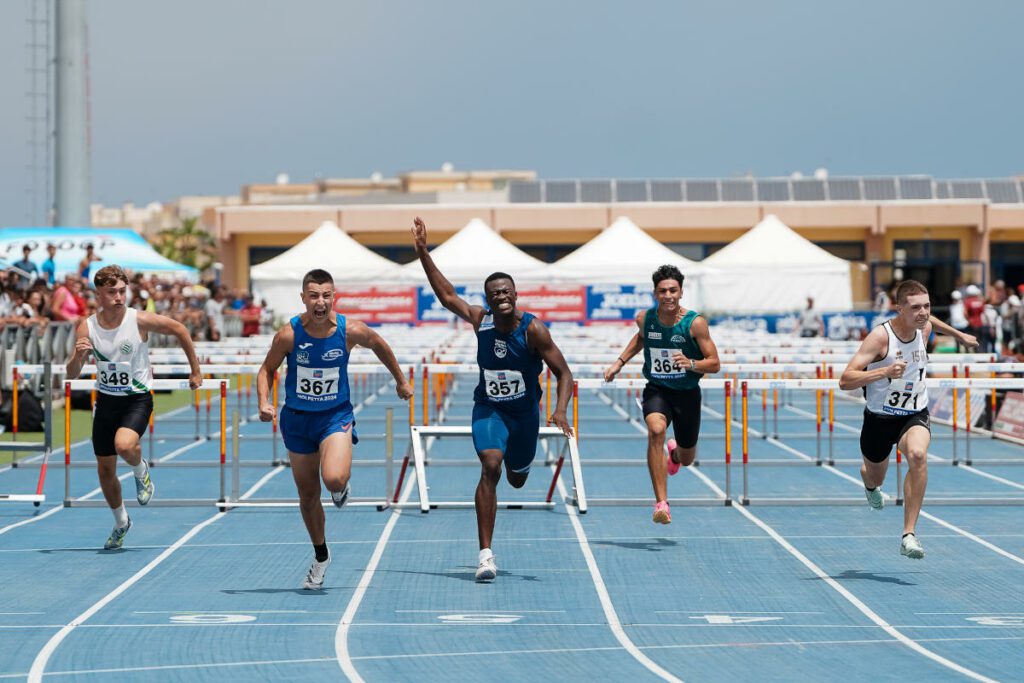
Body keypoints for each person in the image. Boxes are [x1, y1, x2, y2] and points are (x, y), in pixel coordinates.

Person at [411, 217, 574, 583]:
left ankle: (523, 464)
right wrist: (423, 252)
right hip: (489, 409)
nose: (501, 297)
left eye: (506, 292)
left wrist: (560, 409)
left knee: (516, 477)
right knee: (490, 465)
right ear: (488, 298)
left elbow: (564, 373)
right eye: (494, 293)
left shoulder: (533, 329)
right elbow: (447, 295)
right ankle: (485, 555)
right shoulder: (480, 320)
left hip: (524, 415)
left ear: (515, 295)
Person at [256, 269, 413, 590]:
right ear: (303, 298)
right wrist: (264, 401)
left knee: (334, 478)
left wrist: (401, 379)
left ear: (334, 297)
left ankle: (341, 488)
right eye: (314, 295)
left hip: (334, 416)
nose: (320, 301)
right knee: (308, 494)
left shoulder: (349, 331)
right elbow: (266, 369)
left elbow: (379, 344)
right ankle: (321, 555)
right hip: (297, 420)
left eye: (326, 295)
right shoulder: (288, 335)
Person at [838, 280, 977, 560]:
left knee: (917, 455)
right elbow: (845, 380)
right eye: (915, 307)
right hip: (878, 419)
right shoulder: (880, 338)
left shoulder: (923, 325)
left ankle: (909, 534)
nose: (923, 312)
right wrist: (884, 372)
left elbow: (931, 322)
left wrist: (959, 335)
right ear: (900, 308)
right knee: (876, 474)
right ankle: (868, 481)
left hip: (914, 413)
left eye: (926, 305)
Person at [66, 265, 202, 550]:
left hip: (136, 398)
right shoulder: (87, 326)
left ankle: (141, 471)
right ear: (98, 295)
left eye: (122, 291)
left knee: (124, 445)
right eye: (111, 292)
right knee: (105, 470)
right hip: (105, 401)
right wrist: (79, 357)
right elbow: (72, 374)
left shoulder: (138, 320)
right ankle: (121, 522)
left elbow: (179, 329)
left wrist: (195, 370)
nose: (118, 296)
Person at [604, 265, 721, 525]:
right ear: (655, 293)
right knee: (655, 429)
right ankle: (662, 503)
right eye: (662, 291)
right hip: (657, 389)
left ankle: (675, 455)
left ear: (680, 292)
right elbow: (640, 338)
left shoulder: (695, 324)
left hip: (688, 393)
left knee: (688, 458)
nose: (668, 295)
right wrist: (619, 363)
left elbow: (714, 363)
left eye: (673, 290)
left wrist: (691, 363)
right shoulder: (645, 319)